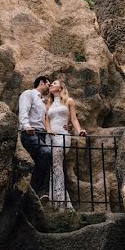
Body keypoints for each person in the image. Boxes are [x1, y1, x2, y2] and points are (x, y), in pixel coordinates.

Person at [44, 79, 87, 211]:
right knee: (53, 166)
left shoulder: (69, 101)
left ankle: (61, 202)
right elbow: (46, 120)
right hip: (50, 136)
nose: (51, 85)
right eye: (51, 84)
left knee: (57, 164)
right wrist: (48, 130)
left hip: (63, 135)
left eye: (54, 83)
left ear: (61, 88)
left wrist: (79, 130)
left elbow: (73, 118)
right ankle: (55, 199)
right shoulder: (48, 104)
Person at [18, 76, 52, 199]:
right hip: (30, 133)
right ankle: (40, 191)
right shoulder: (29, 94)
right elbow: (24, 110)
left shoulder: (43, 101)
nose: (50, 87)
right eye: (49, 84)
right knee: (46, 152)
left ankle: (35, 192)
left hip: (41, 135)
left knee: (42, 161)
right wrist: (26, 126)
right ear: (42, 83)